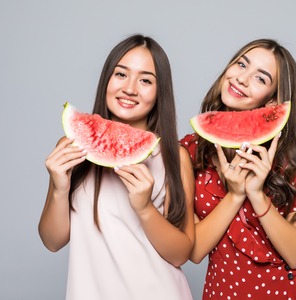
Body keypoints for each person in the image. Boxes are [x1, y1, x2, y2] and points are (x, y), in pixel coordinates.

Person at [39, 34, 195, 300]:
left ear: (160, 93)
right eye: (121, 74)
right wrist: (58, 188)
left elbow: (181, 253)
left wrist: (145, 208)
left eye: (145, 80)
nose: (130, 88)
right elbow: (53, 242)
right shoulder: (72, 146)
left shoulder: (173, 157)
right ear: (106, 80)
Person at [180, 39, 296, 299]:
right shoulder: (190, 151)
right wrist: (235, 195)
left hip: (293, 290)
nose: (242, 79)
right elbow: (194, 251)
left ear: (273, 102)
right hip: (224, 292)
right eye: (241, 64)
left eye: (261, 78)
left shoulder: (288, 159)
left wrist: (257, 195)